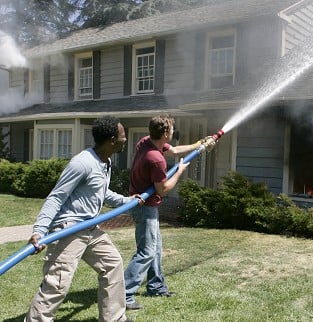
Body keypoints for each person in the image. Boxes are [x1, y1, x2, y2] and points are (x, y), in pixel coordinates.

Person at [25, 116, 143, 322]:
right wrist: (40, 230)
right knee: (58, 283)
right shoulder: (82, 163)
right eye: (123, 136)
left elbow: (101, 192)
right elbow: (56, 196)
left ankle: (113, 318)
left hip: (90, 228)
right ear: (113, 139)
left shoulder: (104, 162)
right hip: (68, 229)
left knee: (112, 264)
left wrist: (126, 200)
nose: (126, 139)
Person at [124, 114, 215, 310]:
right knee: (146, 252)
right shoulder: (156, 159)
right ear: (165, 133)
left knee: (154, 249)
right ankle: (123, 294)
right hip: (144, 207)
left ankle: (156, 286)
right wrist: (180, 171)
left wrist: (198, 145)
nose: (174, 132)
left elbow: (173, 150)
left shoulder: (146, 142)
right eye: (172, 130)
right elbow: (162, 190)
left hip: (145, 204)